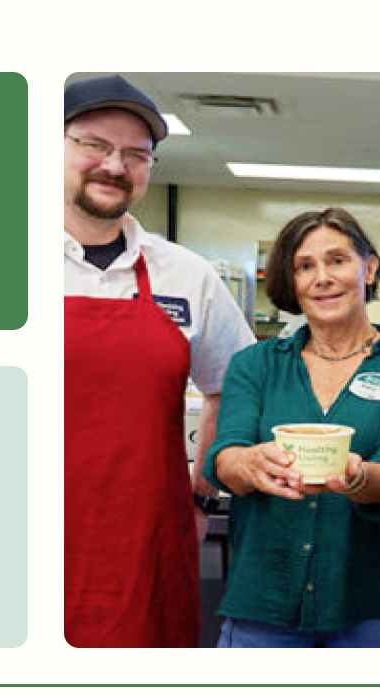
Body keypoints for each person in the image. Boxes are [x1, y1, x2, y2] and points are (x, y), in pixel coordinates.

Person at [62, 75, 254, 648]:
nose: (114, 165)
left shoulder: (185, 274)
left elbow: (236, 383)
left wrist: (201, 495)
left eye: (136, 154)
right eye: (94, 144)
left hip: (147, 544)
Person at [203, 208, 380, 647]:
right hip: (264, 601)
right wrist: (250, 463)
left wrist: (356, 477)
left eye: (337, 260)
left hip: (373, 606)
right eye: (304, 266)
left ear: (368, 268)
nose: (322, 278)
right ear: (291, 280)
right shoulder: (255, 365)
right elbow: (226, 457)